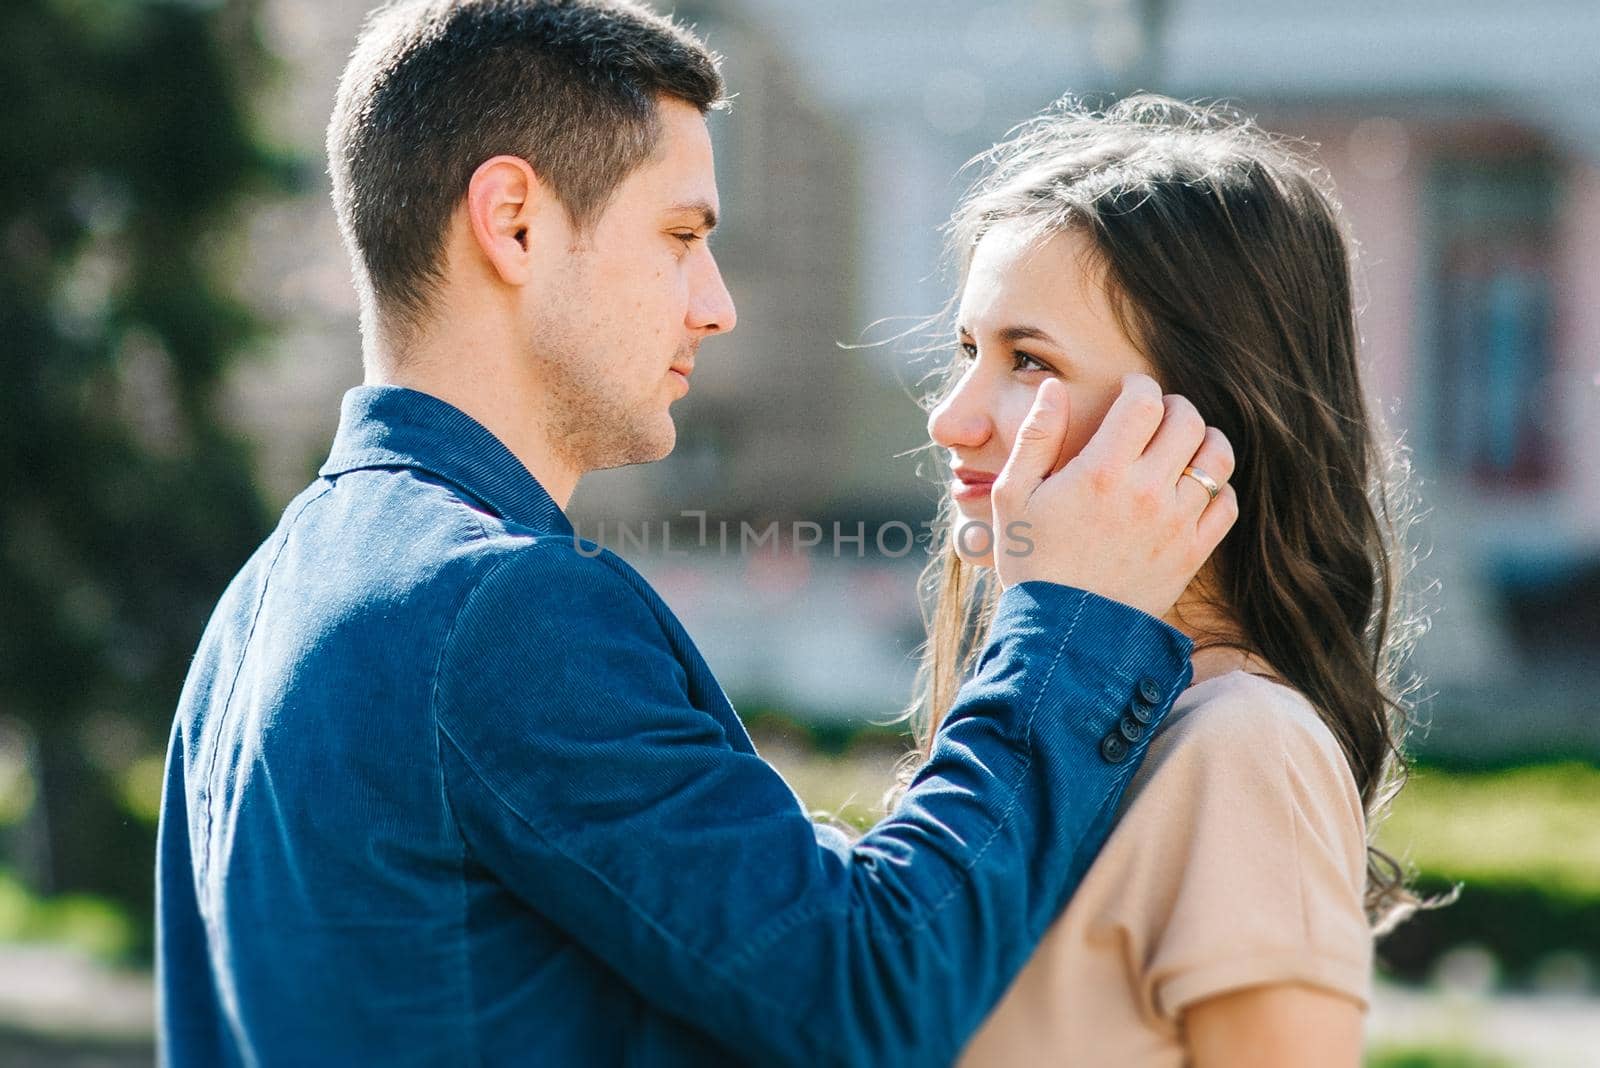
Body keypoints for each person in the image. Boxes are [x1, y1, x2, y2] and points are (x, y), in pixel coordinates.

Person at [154, 4, 1240, 1066]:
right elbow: (869, 995)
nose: (714, 304)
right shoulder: (503, 608)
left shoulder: (262, 599)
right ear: (513, 222)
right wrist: (1073, 624)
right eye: (679, 237)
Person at [904, 95, 1426, 1068]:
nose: (952, 417)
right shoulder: (1071, 722)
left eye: (1027, 360)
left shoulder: (1242, 749)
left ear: (1194, 419)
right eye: (968, 351)